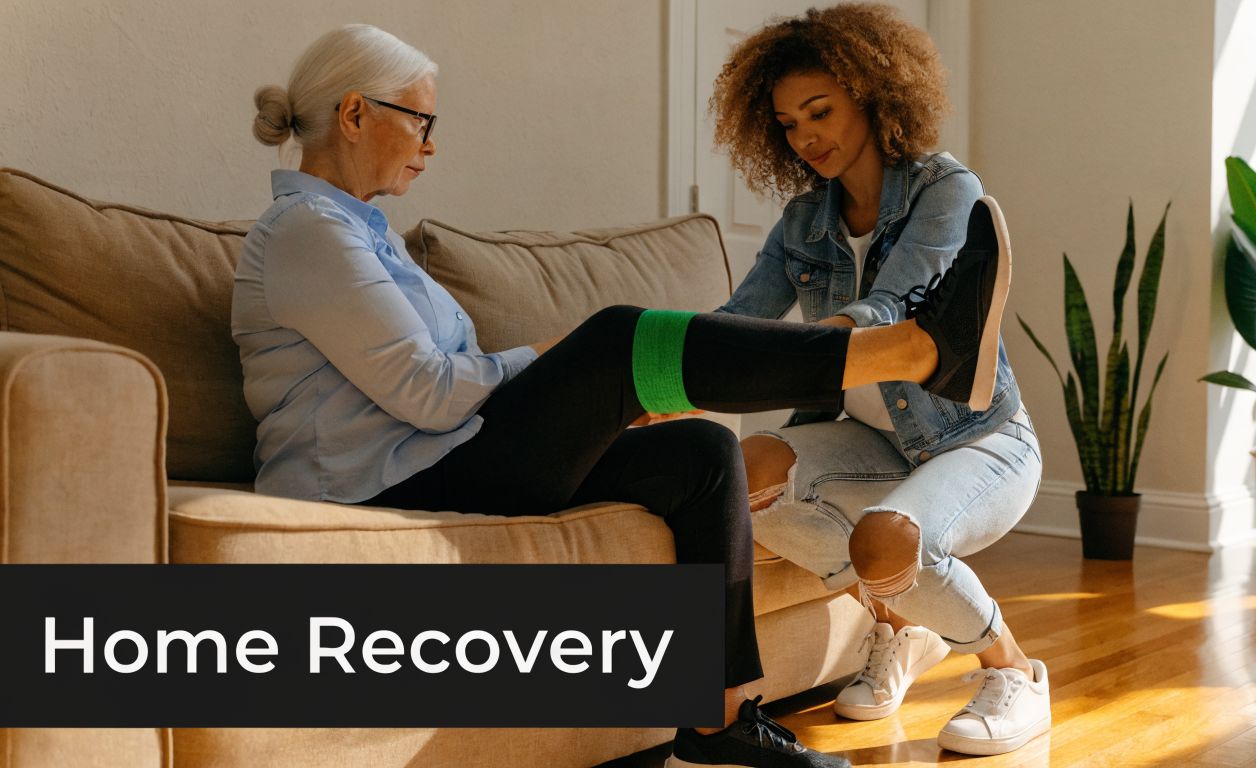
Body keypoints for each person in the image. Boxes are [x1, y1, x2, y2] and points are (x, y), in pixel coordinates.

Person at [237, 24, 1005, 768]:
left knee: (703, 453)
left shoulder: (364, 233)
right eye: (420, 120)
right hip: (374, 486)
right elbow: (434, 395)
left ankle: (718, 723)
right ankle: (906, 350)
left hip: (443, 457)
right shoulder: (307, 231)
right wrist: (559, 359)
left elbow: (448, 380)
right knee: (616, 338)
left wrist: (614, 381)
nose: (429, 144)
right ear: (355, 113)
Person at [708, 3, 1048, 758]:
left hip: (977, 441)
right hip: (871, 440)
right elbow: (740, 320)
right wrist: (664, 375)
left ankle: (1014, 671)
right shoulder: (803, 221)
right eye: (789, 124)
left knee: (885, 540)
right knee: (739, 476)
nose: (806, 137)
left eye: (820, 111)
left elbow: (890, 309)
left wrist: (807, 347)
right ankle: (898, 626)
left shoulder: (946, 189)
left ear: (872, 94)